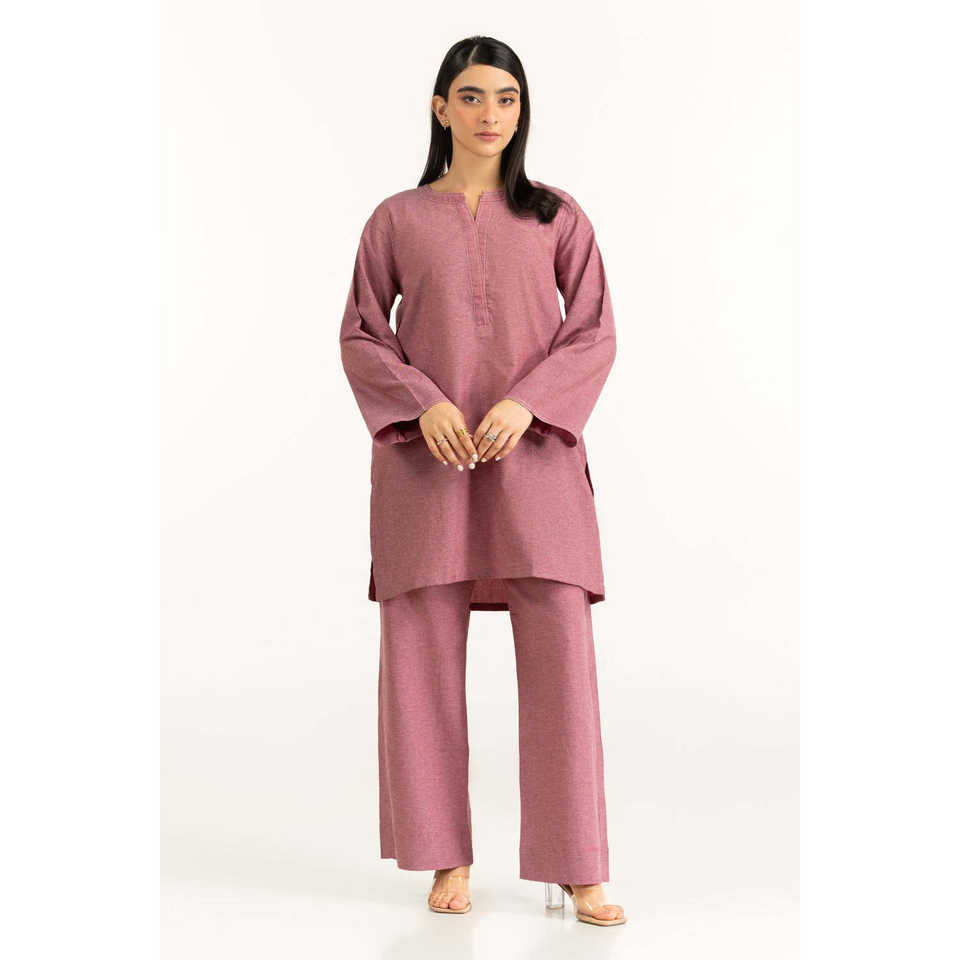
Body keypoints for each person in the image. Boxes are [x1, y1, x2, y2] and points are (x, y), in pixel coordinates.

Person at [339, 35, 626, 927]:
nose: (489, 114)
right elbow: (361, 333)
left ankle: (578, 865)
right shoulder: (396, 220)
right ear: (441, 108)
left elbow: (594, 330)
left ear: (521, 110)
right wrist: (420, 401)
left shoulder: (557, 217)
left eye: (506, 98)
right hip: (425, 467)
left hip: (536, 462)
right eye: (471, 97)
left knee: (562, 662)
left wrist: (530, 402)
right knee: (420, 660)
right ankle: (445, 858)